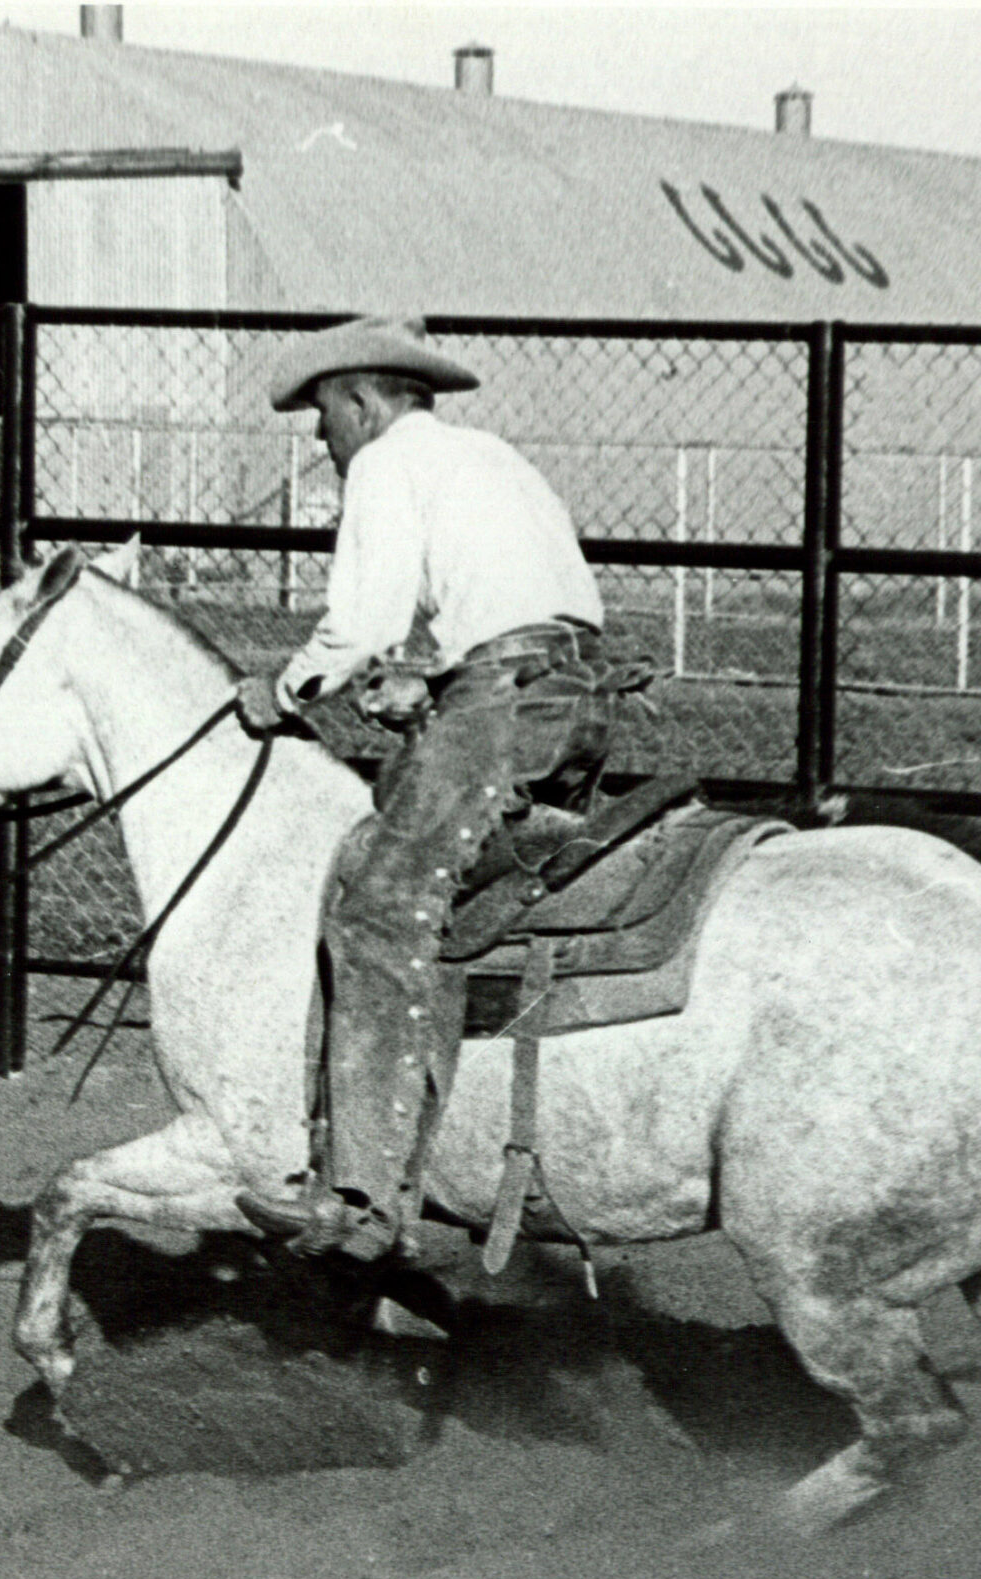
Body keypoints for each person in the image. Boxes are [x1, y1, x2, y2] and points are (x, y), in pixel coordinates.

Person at [232, 314, 609, 1264]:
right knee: (478, 893)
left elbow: (356, 623)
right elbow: (516, 604)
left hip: (507, 706)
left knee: (378, 910)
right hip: (575, 691)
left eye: (325, 415)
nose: (322, 439)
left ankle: (362, 1196)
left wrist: (278, 693)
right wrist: (432, 679)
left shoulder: (387, 466)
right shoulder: (487, 458)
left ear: (362, 399)